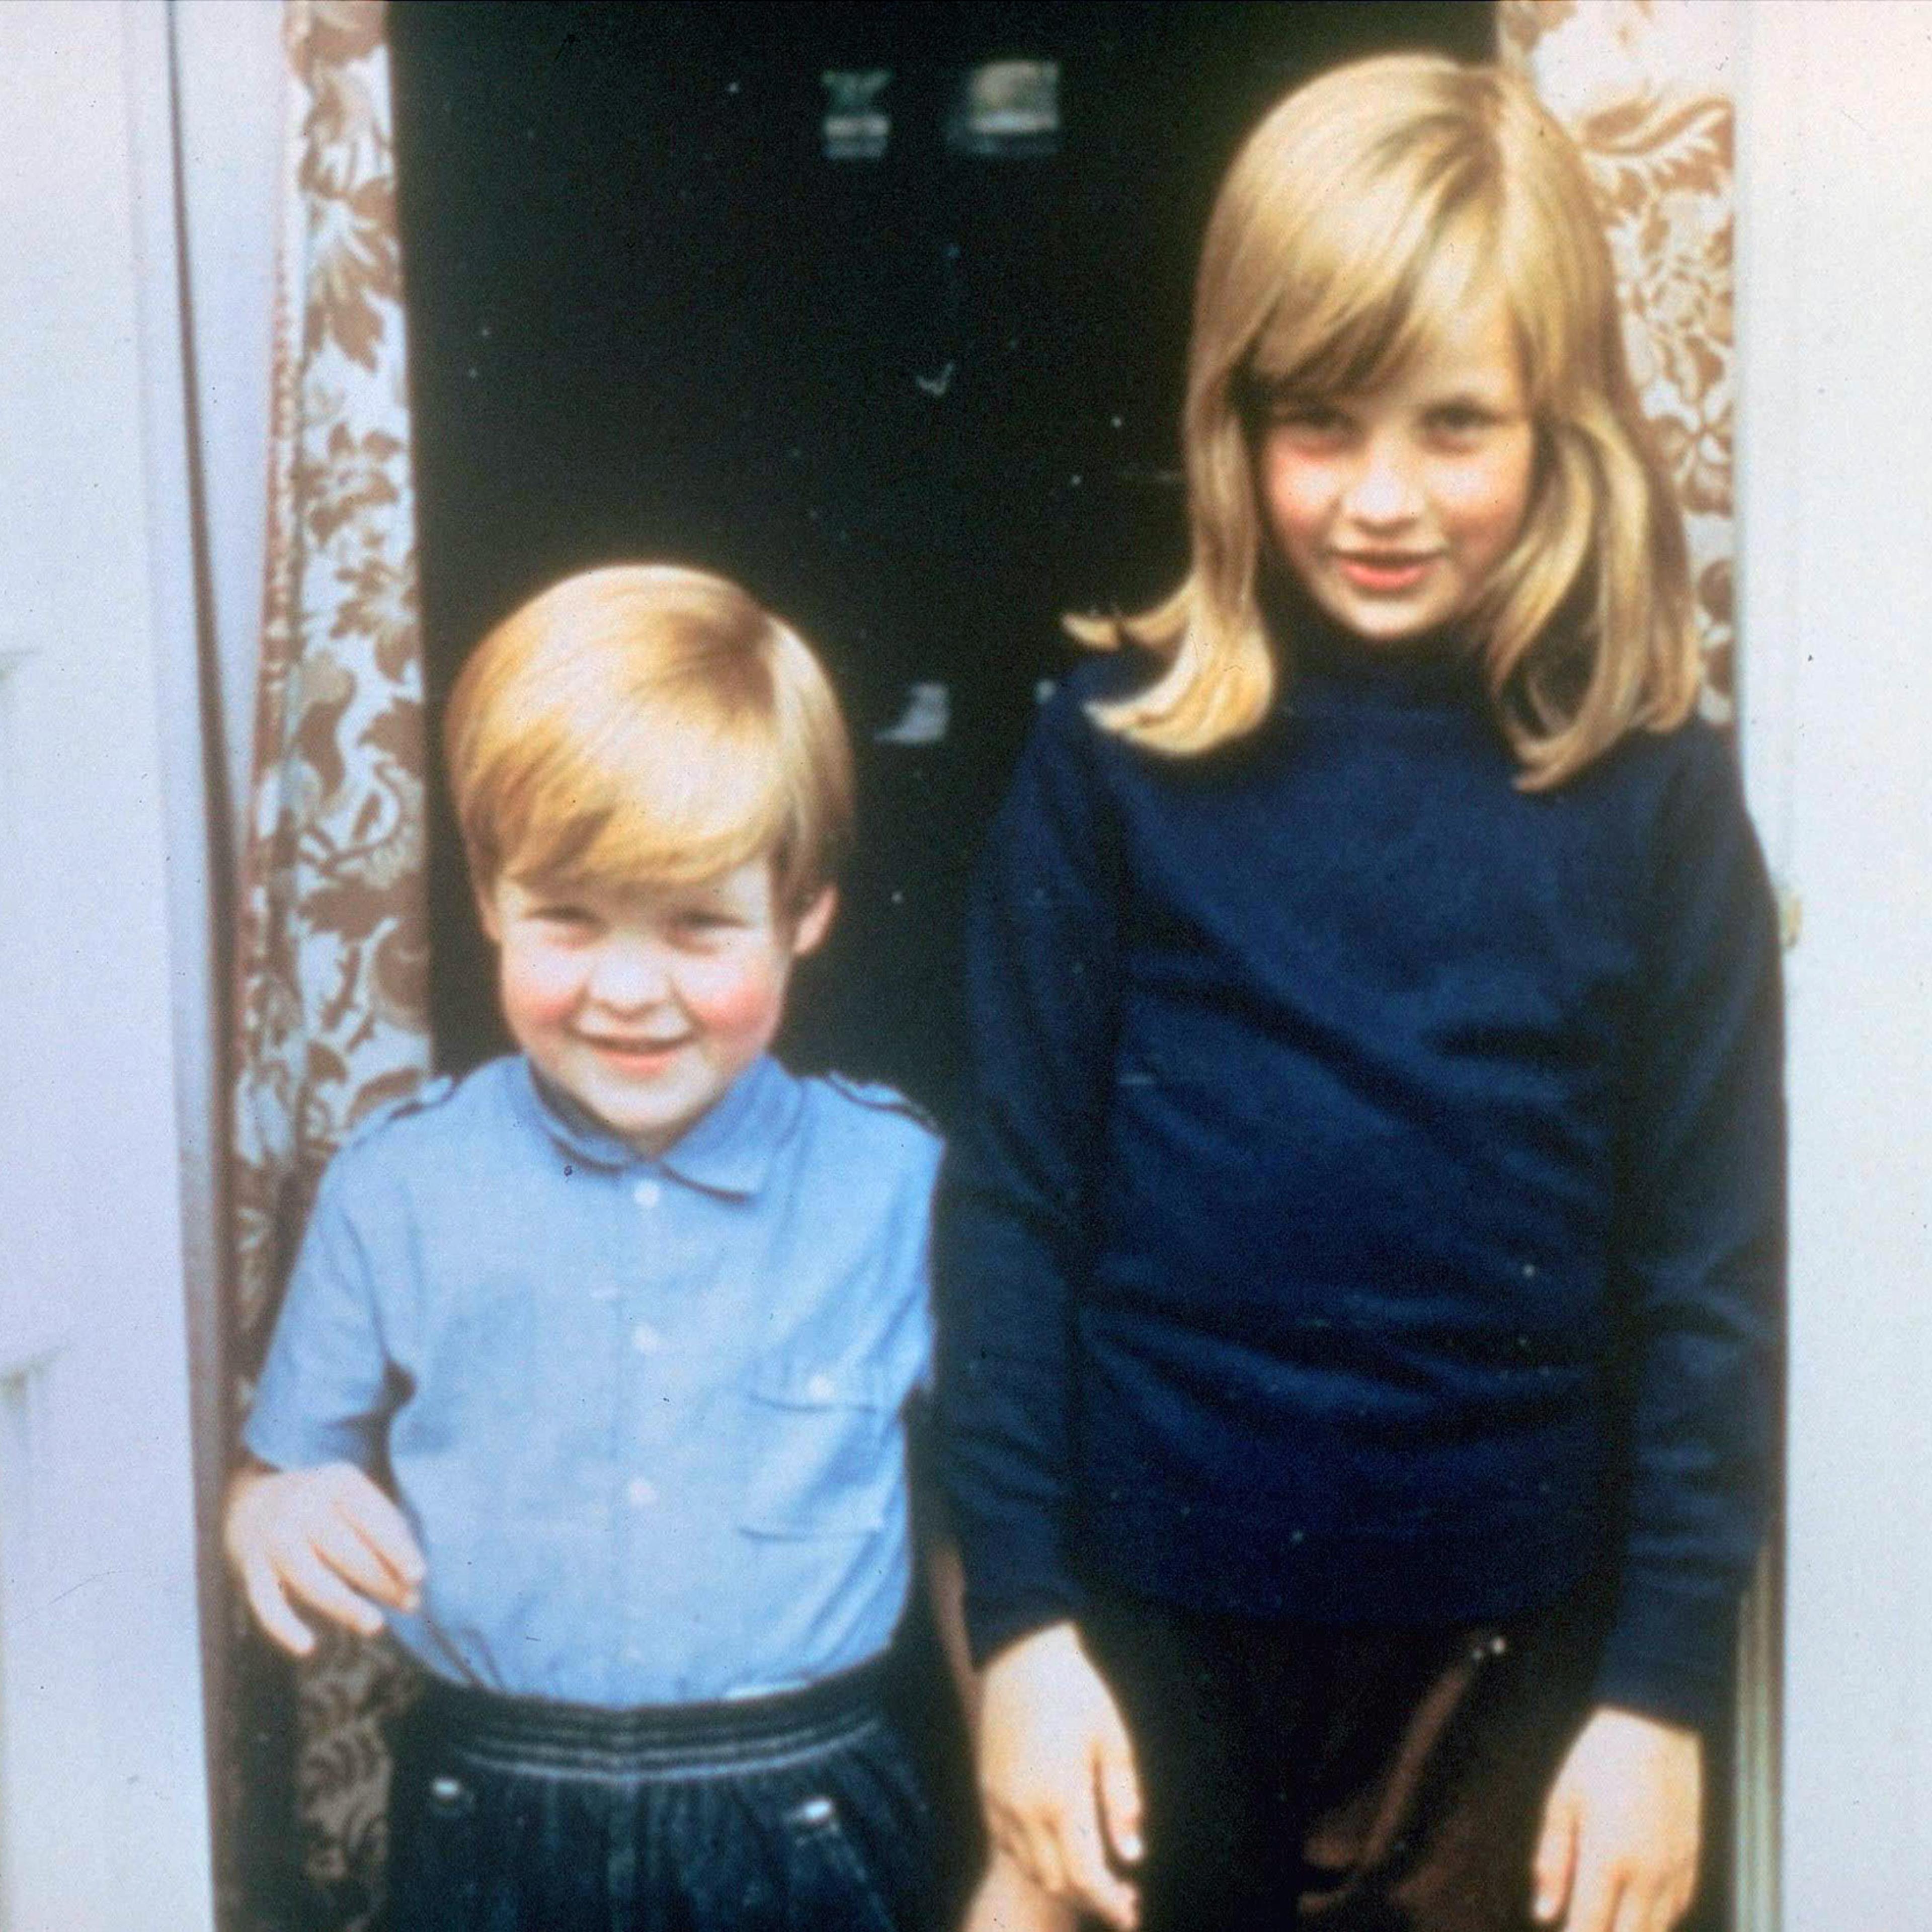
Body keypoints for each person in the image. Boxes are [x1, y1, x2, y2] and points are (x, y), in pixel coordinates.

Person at [936, 52, 1783, 1932]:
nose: (1382, 498)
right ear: (1228, 423)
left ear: (1564, 428)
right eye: (1319, 424)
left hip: (1512, 1665)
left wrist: (1659, 1696)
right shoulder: (1111, 759)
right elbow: (1008, 1212)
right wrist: (1020, 1629)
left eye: (1456, 426)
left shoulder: (1651, 789)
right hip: (1151, 1629)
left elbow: (1710, 1283)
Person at [225, 564, 945, 1931]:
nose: (627, 992)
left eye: (696, 925)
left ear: (804, 915)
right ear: (488, 897)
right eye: (568, 917)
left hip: (807, 1810)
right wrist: (275, 1510)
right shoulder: (398, 1183)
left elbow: (993, 1508)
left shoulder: (898, 1184)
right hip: (487, 1806)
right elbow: (281, 1468)